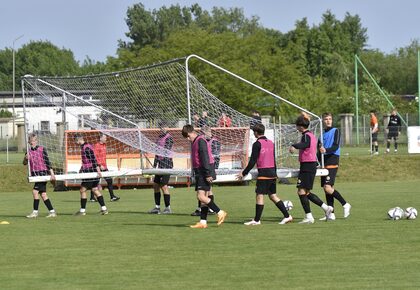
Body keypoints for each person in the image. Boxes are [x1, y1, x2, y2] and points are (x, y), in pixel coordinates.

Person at [237, 123, 293, 225]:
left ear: (256, 133)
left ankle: (257, 220)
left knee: (259, 195)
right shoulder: (271, 143)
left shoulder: (257, 144)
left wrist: (243, 173)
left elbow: (252, 161)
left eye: (254, 132)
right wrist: (275, 173)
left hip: (264, 173)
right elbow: (273, 159)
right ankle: (287, 216)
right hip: (272, 173)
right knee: (273, 196)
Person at [289, 113, 333, 224]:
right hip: (309, 165)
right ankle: (326, 208)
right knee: (306, 192)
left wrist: (294, 146)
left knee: (301, 191)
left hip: (308, 165)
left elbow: (306, 144)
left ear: (300, 126)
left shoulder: (306, 136)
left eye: (297, 126)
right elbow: (316, 144)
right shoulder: (312, 135)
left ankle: (309, 217)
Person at [182, 124, 227, 228]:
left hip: (204, 171)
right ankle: (203, 222)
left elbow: (205, 158)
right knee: (204, 198)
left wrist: (207, 174)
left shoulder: (200, 141)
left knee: (200, 196)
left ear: (190, 133)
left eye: (188, 137)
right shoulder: (196, 141)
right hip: (201, 171)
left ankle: (220, 212)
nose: (188, 139)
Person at [318, 113, 351, 221]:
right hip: (324, 163)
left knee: (327, 187)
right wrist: (317, 163)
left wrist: (326, 150)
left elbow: (336, 145)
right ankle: (331, 214)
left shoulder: (335, 130)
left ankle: (345, 204)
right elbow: (319, 152)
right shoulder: (321, 135)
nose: (328, 121)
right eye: (326, 119)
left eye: (330, 119)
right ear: (323, 121)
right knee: (327, 189)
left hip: (332, 159)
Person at [23, 133, 57, 218]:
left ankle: (35, 212)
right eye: (31, 141)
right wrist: (25, 158)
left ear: (36, 141)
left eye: (34, 141)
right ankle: (52, 212)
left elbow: (47, 162)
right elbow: (24, 163)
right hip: (35, 175)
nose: (32, 143)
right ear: (29, 142)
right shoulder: (28, 151)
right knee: (43, 194)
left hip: (42, 173)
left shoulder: (42, 149)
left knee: (35, 192)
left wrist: (52, 174)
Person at [74, 134, 108, 216]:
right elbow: (86, 160)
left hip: (90, 171)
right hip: (89, 170)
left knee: (82, 190)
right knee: (95, 189)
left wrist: (98, 170)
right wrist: (81, 168)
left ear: (78, 139)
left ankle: (82, 211)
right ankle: (104, 209)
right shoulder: (85, 146)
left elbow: (93, 159)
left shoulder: (86, 147)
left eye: (75, 140)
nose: (75, 142)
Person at [191, 126, 221, 216]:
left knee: (205, 192)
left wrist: (211, 170)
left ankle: (213, 210)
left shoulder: (212, 141)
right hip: (206, 168)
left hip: (208, 168)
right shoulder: (202, 140)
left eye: (204, 133)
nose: (202, 135)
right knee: (207, 191)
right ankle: (204, 214)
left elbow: (215, 156)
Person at [149, 124, 174, 214]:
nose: (162, 128)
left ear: (167, 128)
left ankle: (168, 208)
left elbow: (166, 150)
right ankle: (157, 207)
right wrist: (154, 164)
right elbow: (157, 152)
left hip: (167, 164)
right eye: (161, 127)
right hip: (160, 165)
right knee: (155, 185)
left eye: (164, 127)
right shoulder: (159, 138)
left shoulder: (169, 138)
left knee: (163, 186)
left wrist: (157, 147)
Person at [89, 133, 120, 202]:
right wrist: (99, 165)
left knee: (109, 180)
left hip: (104, 167)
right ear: (100, 138)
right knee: (95, 182)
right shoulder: (97, 146)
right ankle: (92, 197)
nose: (106, 139)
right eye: (105, 138)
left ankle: (112, 197)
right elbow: (95, 157)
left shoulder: (104, 145)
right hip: (99, 167)